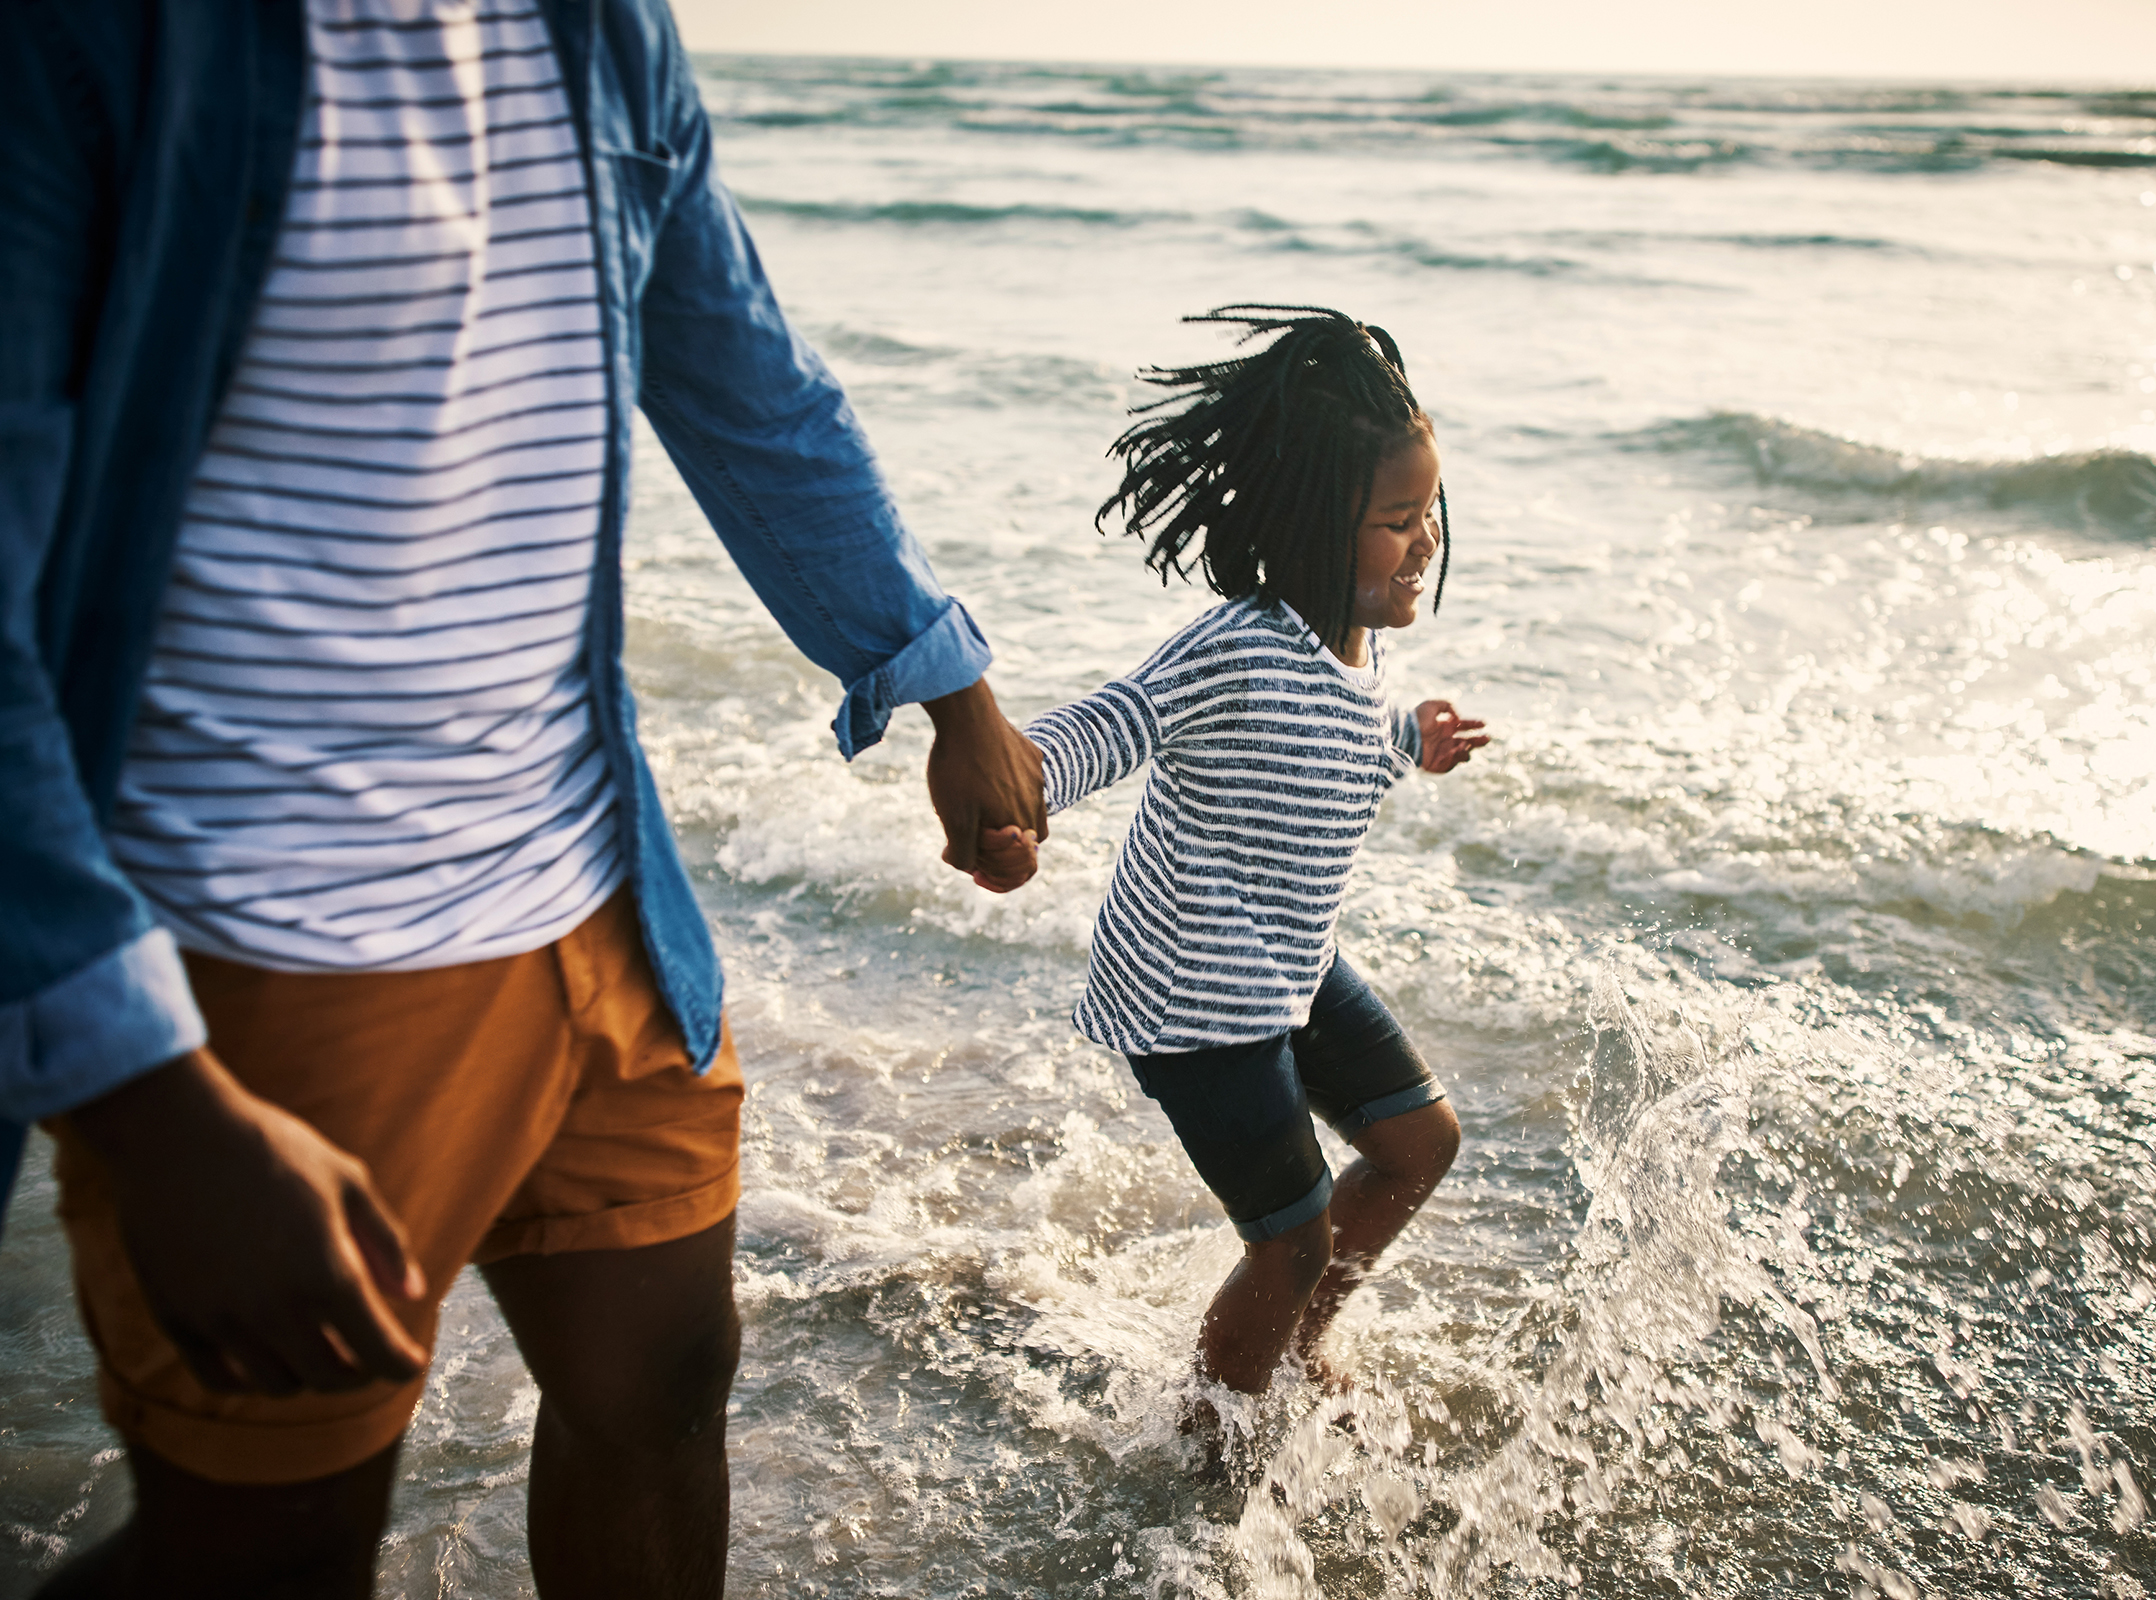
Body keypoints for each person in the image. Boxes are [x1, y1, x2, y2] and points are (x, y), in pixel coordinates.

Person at [0, 2, 1042, 1596]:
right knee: (264, 1549)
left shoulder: (597, 31)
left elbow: (748, 378)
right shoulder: (100, 40)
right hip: (274, 952)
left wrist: (941, 682)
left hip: (599, 899)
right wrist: (153, 1097)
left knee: (666, 1383)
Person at [980, 306, 1487, 1426]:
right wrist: (1018, 797)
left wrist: (1413, 738)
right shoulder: (1237, 645)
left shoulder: (1351, 646)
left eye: (1429, 512)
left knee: (1418, 1142)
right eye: (1397, 521)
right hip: (1195, 999)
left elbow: (1340, 726)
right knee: (1292, 1239)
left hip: (1287, 963)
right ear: (1318, 525)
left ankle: (1296, 1347)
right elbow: (1113, 723)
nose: (1426, 541)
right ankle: (1211, 1442)